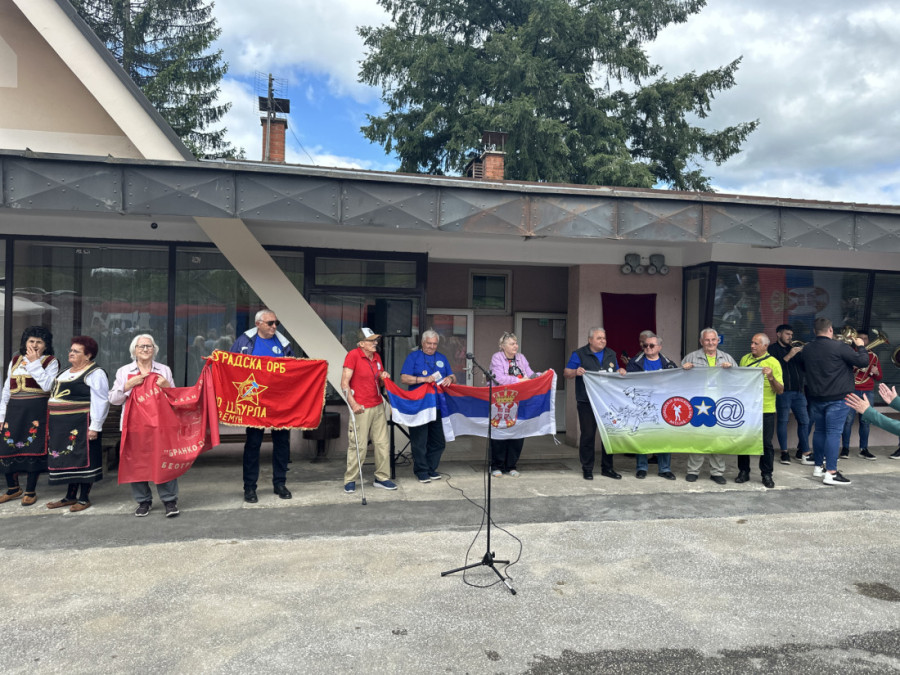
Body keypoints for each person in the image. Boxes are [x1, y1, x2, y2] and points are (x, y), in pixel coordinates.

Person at [109, 334, 179, 517]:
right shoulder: (124, 371)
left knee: (164, 460)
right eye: (141, 347)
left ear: (154, 349)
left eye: (149, 346)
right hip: (134, 426)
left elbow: (174, 399)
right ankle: (143, 501)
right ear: (134, 350)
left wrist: (167, 387)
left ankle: (170, 500)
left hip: (160, 425)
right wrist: (127, 385)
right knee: (137, 463)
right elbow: (114, 399)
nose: (146, 349)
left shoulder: (164, 370)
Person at [230, 309, 295, 503]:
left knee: (282, 444)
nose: (275, 326)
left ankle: (280, 483)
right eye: (270, 323)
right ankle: (250, 487)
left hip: (279, 401)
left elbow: (293, 370)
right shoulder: (244, 342)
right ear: (258, 324)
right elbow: (230, 366)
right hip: (254, 402)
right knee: (253, 444)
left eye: (276, 323)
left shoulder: (284, 344)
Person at [797, 317, 868, 486]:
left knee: (820, 431)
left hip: (816, 397)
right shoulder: (840, 346)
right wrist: (861, 346)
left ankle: (817, 467)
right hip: (838, 397)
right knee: (834, 433)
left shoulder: (807, 349)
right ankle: (831, 472)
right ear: (830, 330)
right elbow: (863, 362)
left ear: (815, 331)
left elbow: (802, 367)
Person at [46, 336, 110, 512]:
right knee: (69, 459)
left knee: (84, 460)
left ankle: (83, 498)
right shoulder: (64, 372)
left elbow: (101, 401)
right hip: (62, 427)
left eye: (76, 351)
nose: (71, 353)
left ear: (88, 355)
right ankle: (69, 496)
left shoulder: (95, 373)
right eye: (71, 350)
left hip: (82, 424)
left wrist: (95, 426)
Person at [0, 326, 59, 506]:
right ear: (25, 343)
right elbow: (6, 391)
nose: (34, 345)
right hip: (14, 412)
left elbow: (48, 386)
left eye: (39, 342)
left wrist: (34, 363)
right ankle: (13, 488)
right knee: (7, 448)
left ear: (45, 345)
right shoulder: (15, 361)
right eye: (31, 341)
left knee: (34, 447)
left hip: (36, 412)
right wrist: (2, 417)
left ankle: (30, 490)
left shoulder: (50, 362)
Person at [342, 327, 396, 492]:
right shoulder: (353, 355)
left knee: (382, 444)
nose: (375, 343)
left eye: (375, 340)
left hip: (378, 404)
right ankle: (350, 479)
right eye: (371, 340)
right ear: (362, 343)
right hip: (361, 407)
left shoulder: (377, 357)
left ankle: (382, 477)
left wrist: (383, 377)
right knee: (359, 445)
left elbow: (378, 382)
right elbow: (344, 383)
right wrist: (353, 404)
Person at [563, 327, 620, 480]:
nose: (603, 340)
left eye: (604, 338)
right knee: (588, 435)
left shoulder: (611, 353)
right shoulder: (579, 354)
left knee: (609, 435)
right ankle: (587, 468)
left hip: (607, 402)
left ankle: (607, 468)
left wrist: (621, 372)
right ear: (590, 340)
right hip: (586, 401)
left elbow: (617, 372)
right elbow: (566, 372)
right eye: (599, 338)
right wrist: (575, 372)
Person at [400, 330, 456, 483]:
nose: (431, 347)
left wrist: (450, 379)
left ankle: (431, 468)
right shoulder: (413, 357)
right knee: (420, 441)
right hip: (419, 406)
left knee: (438, 441)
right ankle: (421, 470)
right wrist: (424, 379)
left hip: (438, 406)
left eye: (434, 344)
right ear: (422, 343)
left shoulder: (442, 358)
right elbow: (404, 378)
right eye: (429, 343)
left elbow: (453, 376)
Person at [682, 328, 736, 484]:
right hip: (698, 403)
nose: (710, 343)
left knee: (717, 438)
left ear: (718, 341)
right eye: (707, 340)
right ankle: (693, 471)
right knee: (697, 437)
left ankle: (717, 472)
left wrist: (731, 370)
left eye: (713, 340)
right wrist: (684, 370)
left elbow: (738, 381)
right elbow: (678, 381)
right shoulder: (691, 357)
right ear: (701, 341)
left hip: (719, 404)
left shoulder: (727, 358)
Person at [625, 333, 678, 480]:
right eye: (645, 345)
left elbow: (676, 382)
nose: (648, 348)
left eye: (651, 345)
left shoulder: (669, 363)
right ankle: (642, 467)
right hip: (642, 405)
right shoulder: (635, 362)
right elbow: (628, 383)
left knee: (664, 436)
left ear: (659, 347)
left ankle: (665, 469)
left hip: (662, 405)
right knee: (642, 435)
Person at [490, 332, 540, 477]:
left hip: (520, 400)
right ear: (503, 346)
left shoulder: (521, 358)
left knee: (517, 432)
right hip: (501, 400)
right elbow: (499, 378)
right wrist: (519, 381)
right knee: (500, 432)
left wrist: (541, 375)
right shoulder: (497, 357)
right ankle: (496, 466)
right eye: (512, 343)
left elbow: (529, 374)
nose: (515, 346)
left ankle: (511, 465)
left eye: (516, 343)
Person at [738, 333, 784, 488]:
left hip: (765, 409)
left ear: (765, 346)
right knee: (744, 441)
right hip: (747, 409)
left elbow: (780, 390)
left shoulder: (774, 363)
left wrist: (771, 377)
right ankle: (743, 471)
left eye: (756, 343)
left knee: (766, 444)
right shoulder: (745, 359)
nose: (752, 346)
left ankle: (766, 474)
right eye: (751, 343)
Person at [768, 324, 810, 465]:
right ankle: (784, 452)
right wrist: (789, 355)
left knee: (805, 421)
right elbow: (775, 368)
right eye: (787, 334)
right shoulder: (772, 349)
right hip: (783, 392)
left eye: (791, 334)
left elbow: (804, 368)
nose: (790, 337)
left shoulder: (796, 349)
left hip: (799, 392)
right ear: (779, 334)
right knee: (783, 421)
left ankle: (804, 452)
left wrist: (804, 356)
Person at [841, 329, 881, 460]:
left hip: (867, 391)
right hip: (853, 390)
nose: (863, 341)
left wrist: (875, 372)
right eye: (861, 338)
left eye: (866, 339)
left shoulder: (873, 356)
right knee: (848, 421)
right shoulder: (851, 354)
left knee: (866, 421)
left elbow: (879, 377)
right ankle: (845, 449)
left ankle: (863, 449)